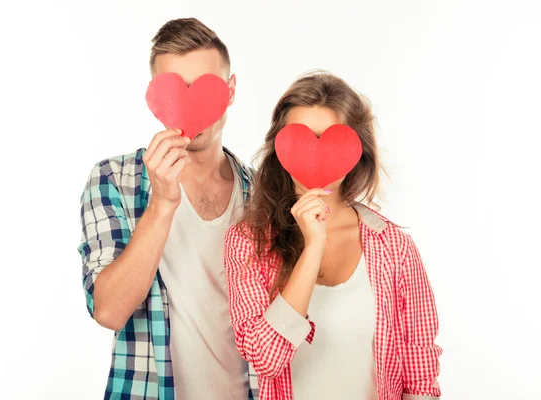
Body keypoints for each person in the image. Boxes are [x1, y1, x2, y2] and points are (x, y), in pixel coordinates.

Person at [224, 72, 442, 400]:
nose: (314, 158)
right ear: (279, 151)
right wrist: (313, 247)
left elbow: (420, 370)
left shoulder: (394, 247)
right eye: (300, 141)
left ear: (356, 152)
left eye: (330, 142)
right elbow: (265, 359)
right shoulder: (248, 242)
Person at [78, 18, 257, 400]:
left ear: (231, 90)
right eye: (178, 89)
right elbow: (108, 310)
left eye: (206, 87)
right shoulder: (113, 179)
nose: (192, 103)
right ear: (154, 97)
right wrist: (161, 203)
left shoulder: (261, 193)